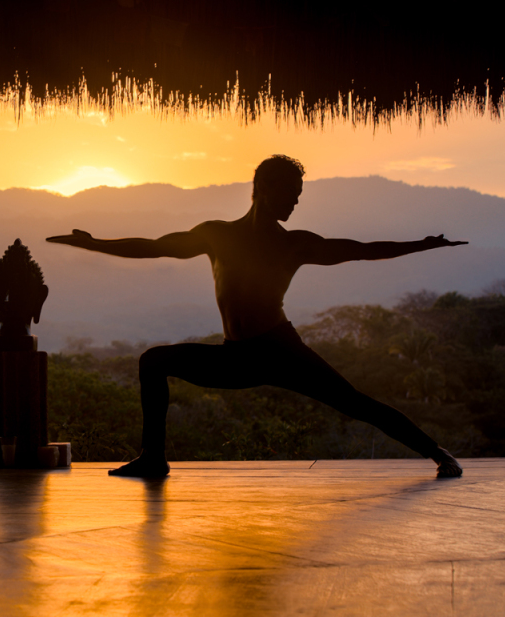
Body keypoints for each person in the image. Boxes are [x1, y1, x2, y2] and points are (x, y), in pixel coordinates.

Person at [46, 155, 464, 478]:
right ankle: (153, 458)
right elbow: (155, 246)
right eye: (291, 192)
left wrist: (422, 244)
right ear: (263, 187)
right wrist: (95, 243)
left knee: (355, 403)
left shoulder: (295, 244)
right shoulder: (216, 234)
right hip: (236, 356)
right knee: (152, 361)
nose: (296, 201)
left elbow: (361, 250)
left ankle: (439, 454)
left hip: (281, 351)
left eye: (299, 193)